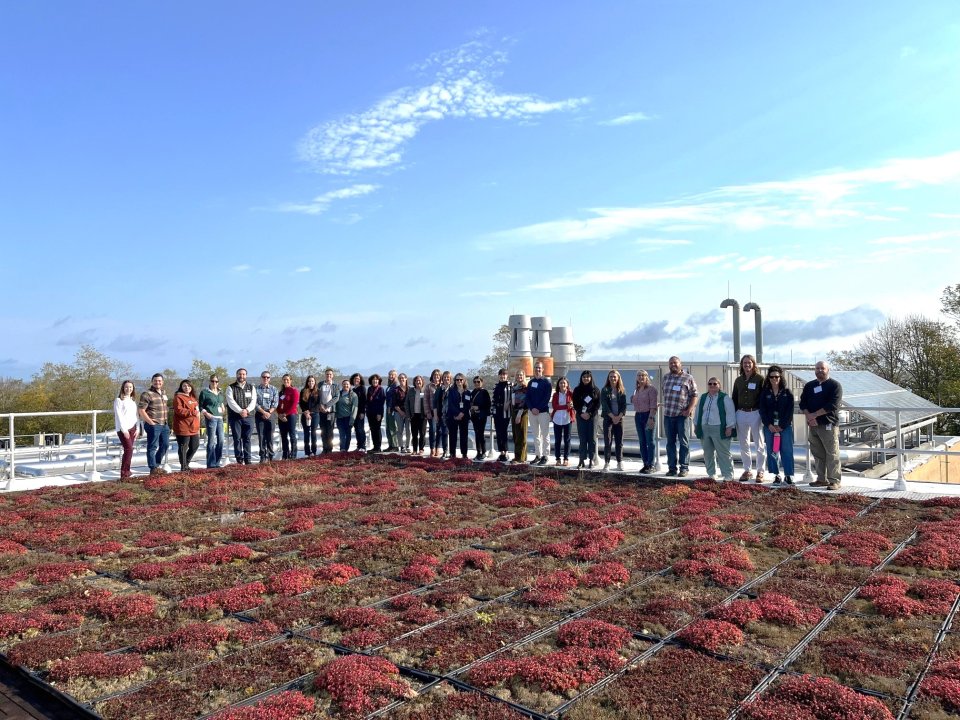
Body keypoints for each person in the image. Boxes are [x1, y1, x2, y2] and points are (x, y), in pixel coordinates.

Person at [799, 360, 843, 490]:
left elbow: (833, 405)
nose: (819, 371)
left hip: (828, 425)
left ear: (828, 370)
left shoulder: (835, 385)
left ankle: (834, 480)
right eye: (817, 368)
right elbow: (803, 403)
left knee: (832, 453)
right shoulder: (810, 386)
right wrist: (809, 416)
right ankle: (821, 479)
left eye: (822, 368)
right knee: (818, 453)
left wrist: (814, 415)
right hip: (813, 425)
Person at [661, 356, 698, 478]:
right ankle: (672, 468)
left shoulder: (688, 378)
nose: (673, 365)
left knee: (684, 443)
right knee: (670, 443)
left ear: (680, 364)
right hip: (668, 415)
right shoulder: (666, 377)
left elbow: (694, 395)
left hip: (682, 416)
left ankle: (684, 468)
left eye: (675, 363)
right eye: (671, 363)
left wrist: (689, 410)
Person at [732, 354, 767, 482]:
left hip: (755, 412)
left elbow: (764, 397)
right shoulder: (738, 380)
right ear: (742, 365)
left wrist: (762, 413)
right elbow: (734, 398)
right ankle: (747, 470)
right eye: (745, 363)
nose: (747, 365)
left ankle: (760, 471)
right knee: (743, 443)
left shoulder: (760, 379)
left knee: (759, 443)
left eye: (749, 362)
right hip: (741, 413)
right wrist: (734, 414)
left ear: (753, 364)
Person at [694, 376, 736, 482]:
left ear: (719, 385)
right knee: (708, 453)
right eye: (710, 384)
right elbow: (698, 412)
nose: (712, 386)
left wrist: (729, 427)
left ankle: (728, 475)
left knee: (723, 452)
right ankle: (711, 474)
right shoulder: (703, 397)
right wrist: (696, 425)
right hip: (705, 427)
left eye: (715, 384)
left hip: (719, 427)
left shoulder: (724, 397)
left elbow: (730, 413)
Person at [759, 364, 795, 485]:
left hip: (784, 427)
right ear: (768, 378)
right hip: (770, 427)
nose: (775, 379)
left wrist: (782, 425)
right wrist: (768, 424)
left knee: (787, 450)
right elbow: (762, 410)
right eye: (772, 377)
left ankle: (788, 475)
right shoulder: (764, 393)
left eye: (777, 377)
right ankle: (776, 475)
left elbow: (790, 411)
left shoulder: (787, 392)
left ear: (781, 377)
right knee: (772, 451)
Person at [137, 373, 169, 475]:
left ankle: (156, 464)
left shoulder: (163, 393)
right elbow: (141, 410)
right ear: (152, 381)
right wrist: (151, 423)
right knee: (152, 446)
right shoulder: (147, 394)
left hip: (164, 424)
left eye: (159, 381)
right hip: (153, 425)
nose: (157, 382)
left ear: (162, 382)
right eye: (155, 380)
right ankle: (153, 468)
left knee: (165, 445)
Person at [226, 368, 257, 465]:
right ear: (236, 375)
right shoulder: (230, 388)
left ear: (246, 375)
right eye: (240, 374)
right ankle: (239, 459)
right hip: (235, 417)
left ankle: (248, 459)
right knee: (237, 438)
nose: (241, 376)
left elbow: (253, 400)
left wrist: (247, 410)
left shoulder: (251, 387)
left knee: (247, 438)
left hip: (249, 416)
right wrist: (240, 411)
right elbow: (231, 402)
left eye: (243, 374)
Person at [525, 361, 553, 466]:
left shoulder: (547, 382)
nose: (537, 369)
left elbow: (547, 398)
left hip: (543, 413)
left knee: (545, 434)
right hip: (532, 413)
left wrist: (538, 408)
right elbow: (527, 397)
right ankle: (538, 455)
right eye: (536, 368)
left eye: (539, 368)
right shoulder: (531, 382)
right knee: (535, 434)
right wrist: (532, 408)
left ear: (543, 369)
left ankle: (545, 455)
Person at [631, 370, 658, 474]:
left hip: (648, 415)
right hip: (638, 416)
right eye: (639, 375)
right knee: (642, 441)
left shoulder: (651, 390)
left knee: (650, 441)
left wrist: (651, 418)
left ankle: (651, 464)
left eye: (643, 375)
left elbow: (653, 405)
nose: (641, 377)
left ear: (647, 377)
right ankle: (645, 464)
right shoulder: (637, 390)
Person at [572, 370, 600, 469]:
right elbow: (575, 404)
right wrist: (581, 413)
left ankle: (591, 460)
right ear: (581, 378)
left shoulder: (595, 390)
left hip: (592, 417)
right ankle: (581, 460)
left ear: (591, 378)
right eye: (584, 377)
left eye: (588, 377)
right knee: (582, 439)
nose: (586, 378)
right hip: (581, 417)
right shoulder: (577, 390)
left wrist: (590, 413)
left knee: (592, 439)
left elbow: (597, 405)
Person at [601, 369, 627, 472]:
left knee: (619, 442)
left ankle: (619, 462)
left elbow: (624, 405)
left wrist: (619, 417)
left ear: (618, 378)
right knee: (608, 441)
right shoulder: (605, 390)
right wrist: (613, 417)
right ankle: (607, 463)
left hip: (619, 419)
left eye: (614, 377)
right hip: (608, 419)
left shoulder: (621, 390)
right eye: (611, 377)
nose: (613, 378)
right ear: (608, 378)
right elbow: (605, 405)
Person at [173, 380, 200, 472]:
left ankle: (187, 462)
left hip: (193, 426)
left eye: (188, 386)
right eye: (184, 386)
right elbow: (179, 410)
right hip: (183, 426)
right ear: (181, 387)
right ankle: (183, 466)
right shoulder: (178, 397)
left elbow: (197, 411)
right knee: (183, 447)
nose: (187, 388)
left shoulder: (193, 398)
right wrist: (192, 412)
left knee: (195, 446)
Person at [114, 380, 139, 480]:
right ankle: (124, 473)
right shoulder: (118, 400)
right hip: (123, 429)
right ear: (123, 388)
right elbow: (119, 416)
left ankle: (127, 471)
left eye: (130, 387)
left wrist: (137, 428)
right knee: (129, 449)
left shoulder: (133, 401)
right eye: (126, 387)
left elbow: (136, 416)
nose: (128, 389)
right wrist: (124, 430)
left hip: (133, 429)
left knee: (129, 450)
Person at [199, 374, 225, 468]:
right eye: (212, 381)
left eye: (216, 381)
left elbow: (220, 402)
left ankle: (217, 462)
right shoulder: (205, 392)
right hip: (211, 418)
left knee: (221, 440)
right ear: (209, 381)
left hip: (220, 419)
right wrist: (206, 413)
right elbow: (200, 406)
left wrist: (222, 407)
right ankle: (211, 464)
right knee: (211, 441)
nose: (214, 383)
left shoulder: (220, 392)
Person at [255, 371, 279, 463]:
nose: (266, 379)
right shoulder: (256, 389)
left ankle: (270, 455)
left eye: (268, 377)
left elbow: (275, 402)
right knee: (261, 436)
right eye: (264, 377)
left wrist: (269, 412)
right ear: (261, 378)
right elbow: (255, 403)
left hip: (270, 414)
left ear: (270, 379)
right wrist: (263, 412)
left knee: (270, 436)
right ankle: (262, 455)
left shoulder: (274, 389)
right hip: (259, 414)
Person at [446, 373, 471, 459]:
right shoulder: (451, 391)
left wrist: (462, 413)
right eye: (457, 380)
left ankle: (464, 453)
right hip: (453, 416)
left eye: (461, 379)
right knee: (452, 435)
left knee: (464, 435)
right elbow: (450, 404)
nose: (459, 381)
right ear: (455, 381)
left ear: (464, 381)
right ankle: (452, 454)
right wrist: (457, 414)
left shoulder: (467, 392)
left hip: (464, 417)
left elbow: (468, 405)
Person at [550, 376, 573, 466]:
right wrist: (566, 406)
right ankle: (558, 458)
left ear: (567, 384)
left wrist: (571, 405)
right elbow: (555, 406)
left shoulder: (571, 394)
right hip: (557, 419)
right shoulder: (556, 395)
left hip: (567, 419)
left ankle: (566, 458)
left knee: (567, 440)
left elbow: (574, 404)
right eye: (561, 383)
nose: (562, 384)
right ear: (558, 385)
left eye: (564, 383)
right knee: (557, 440)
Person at [277, 374, 300, 460]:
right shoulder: (281, 392)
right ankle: (285, 454)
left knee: (292, 434)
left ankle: (293, 454)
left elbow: (294, 405)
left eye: (287, 380)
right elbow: (277, 405)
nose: (286, 381)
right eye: (284, 380)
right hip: (281, 417)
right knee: (283, 435)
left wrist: (285, 414)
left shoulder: (294, 391)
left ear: (291, 381)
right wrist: (279, 414)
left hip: (291, 416)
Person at [317, 368, 339, 454]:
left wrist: (327, 406)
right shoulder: (320, 384)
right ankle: (324, 448)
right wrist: (321, 406)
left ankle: (329, 449)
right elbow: (317, 396)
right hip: (321, 411)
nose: (328, 376)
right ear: (325, 375)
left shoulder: (335, 385)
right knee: (323, 430)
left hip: (331, 411)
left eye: (330, 374)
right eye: (327, 374)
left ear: (332, 375)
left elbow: (336, 397)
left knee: (330, 430)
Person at [492, 368, 512, 462]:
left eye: (504, 374)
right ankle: (501, 452)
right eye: (501, 374)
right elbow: (493, 400)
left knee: (504, 432)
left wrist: (509, 402)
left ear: (507, 376)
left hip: (505, 412)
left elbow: (514, 396)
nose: (502, 376)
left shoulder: (510, 386)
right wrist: (492, 411)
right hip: (497, 412)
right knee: (498, 432)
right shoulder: (496, 386)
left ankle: (506, 452)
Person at [469, 375, 491, 461]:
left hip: (482, 415)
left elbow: (488, 404)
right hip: (474, 416)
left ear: (482, 382)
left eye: (478, 382)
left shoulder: (485, 392)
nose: (476, 383)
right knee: (476, 433)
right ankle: (478, 452)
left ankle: (484, 452)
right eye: (475, 382)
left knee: (481, 434)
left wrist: (478, 407)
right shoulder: (473, 392)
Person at [406, 375, 428, 455]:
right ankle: (415, 449)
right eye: (416, 380)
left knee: (422, 433)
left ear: (422, 382)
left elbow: (428, 402)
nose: (418, 382)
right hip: (413, 415)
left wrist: (427, 413)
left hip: (423, 416)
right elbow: (406, 403)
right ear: (414, 382)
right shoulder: (410, 391)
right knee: (414, 433)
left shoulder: (425, 390)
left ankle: (421, 449)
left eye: (419, 380)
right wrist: (408, 415)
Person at [511, 370, 529, 463]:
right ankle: (517, 455)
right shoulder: (514, 387)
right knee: (515, 435)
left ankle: (521, 458)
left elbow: (525, 402)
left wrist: (519, 414)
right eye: (517, 375)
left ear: (524, 376)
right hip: (514, 411)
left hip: (522, 412)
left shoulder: (525, 387)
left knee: (521, 435)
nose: (519, 377)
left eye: (521, 375)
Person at [299, 375, 320, 457]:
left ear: (315, 382)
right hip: (305, 415)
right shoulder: (303, 391)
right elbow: (301, 403)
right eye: (309, 381)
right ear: (307, 382)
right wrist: (306, 412)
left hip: (315, 415)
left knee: (313, 433)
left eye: (312, 381)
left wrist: (311, 412)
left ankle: (314, 451)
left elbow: (318, 404)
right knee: (306, 434)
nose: (311, 382)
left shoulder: (318, 391)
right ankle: (307, 452)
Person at [335, 379, 358, 452]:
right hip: (339, 418)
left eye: (347, 384)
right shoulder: (339, 394)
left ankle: (346, 448)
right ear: (342, 385)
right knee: (341, 434)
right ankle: (342, 449)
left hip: (348, 418)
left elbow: (355, 408)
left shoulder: (353, 395)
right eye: (344, 384)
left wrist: (352, 419)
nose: (346, 385)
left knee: (348, 435)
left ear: (350, 385)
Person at [434, 371, 452, 458]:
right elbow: (435, 403)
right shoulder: (439, 389)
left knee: (450, 433)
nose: (446, 379)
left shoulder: (453, 389)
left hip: (451, 415)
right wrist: (436, 415)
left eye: (448, 377)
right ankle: (445, 451)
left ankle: (451, 452)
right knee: (443, 432)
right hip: (441, 415)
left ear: (450, 378)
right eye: (444, 377)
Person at [366, 374, 385, 452]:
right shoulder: (369, 389)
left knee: (377, 429)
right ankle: (375, 446)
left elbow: (382, 402)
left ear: (379, 381)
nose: (375, 381)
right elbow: (367, 401)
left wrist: (379, 413)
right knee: (372, 429)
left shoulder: (381, 389)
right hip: (370, 412)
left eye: (376, 379)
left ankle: (378, 447)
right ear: (371, 381)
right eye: (373, 379)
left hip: (378, 412)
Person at [350, 373, 367, 452]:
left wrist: (362, 412)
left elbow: (364, 401)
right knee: (356, 429)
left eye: (358, 379)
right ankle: (358, 446)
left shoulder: (362, 388)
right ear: (353, 380)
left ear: (360, 380)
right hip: (354, 413)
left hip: (360, 412)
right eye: (355, 379)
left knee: (360, 429)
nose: (357, 380)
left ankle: (363, 446)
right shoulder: (352, 390)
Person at [426, 369, 442, 457]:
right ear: (432, 376)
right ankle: (432, 449)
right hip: (431, 412)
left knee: (439, 431)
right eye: (435, 375)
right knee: (432, 430)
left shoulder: (442, 386)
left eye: (438, 375)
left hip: (441, 412)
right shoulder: (428, 387)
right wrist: (427, 412)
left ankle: (437, 448)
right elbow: (425, 400)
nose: (436, 376)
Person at [394, 373, 411, 453]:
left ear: (406, 378)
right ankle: (401, 447)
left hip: (408, 413)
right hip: (398, 412)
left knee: (408, 430)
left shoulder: (410, 389)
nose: (402, 379)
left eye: (403, 378)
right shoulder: (396, 390)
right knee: (399, 430)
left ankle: (407, 446)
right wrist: (401, 412)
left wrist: (408, 413)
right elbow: (394, 404)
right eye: (400, 378)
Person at [384, 369, 400, 452]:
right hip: (387, 408)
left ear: (396, 376)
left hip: (392, 409)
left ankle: (395, 445)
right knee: (388, 427)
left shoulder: (396, 385)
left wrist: (390, 407)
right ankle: (390, 445)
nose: (391, 376)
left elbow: (393, 398)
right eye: (389, 375)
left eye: (392, 375)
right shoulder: (390, 385)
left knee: (392, 427)